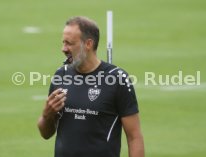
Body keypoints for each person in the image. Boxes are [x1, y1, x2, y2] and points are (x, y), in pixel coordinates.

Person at [37, 16, 144, 157]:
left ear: (88, 44)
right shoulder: (61, 75)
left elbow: (134, 137)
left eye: (69, 43)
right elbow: (46, 133)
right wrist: (47, 115)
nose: (63, 49)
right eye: (63, 42)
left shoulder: (117, 78)